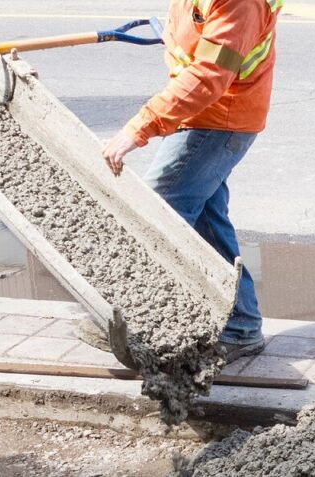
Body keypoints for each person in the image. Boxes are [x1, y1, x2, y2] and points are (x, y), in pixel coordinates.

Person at [98, 0, 283, 362]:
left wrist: (140, 128)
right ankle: (241, 325)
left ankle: (139, 321)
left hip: (217, 120)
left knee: (155, 214)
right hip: (204, 116)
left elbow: (211, 73)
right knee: (206, 225)